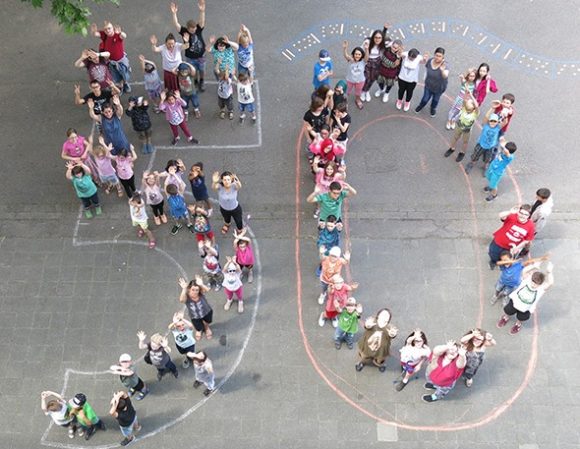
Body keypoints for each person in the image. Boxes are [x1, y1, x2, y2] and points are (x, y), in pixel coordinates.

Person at [497, 261, 554, 334]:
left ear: (540, 284)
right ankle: (505, 318)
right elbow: (524, 270)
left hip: (526, 308)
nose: (533, 285)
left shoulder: (540, 289)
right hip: (515, 302)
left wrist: (549, 272)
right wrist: (534, 266)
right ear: (531, 279)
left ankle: (518, 324)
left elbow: (550, 283)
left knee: (521, 318)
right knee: (508, 311)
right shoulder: (526, 281)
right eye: (533, 282)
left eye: (536, 284)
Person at [170, 0, 207, 90]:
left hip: (201, 56)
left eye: (194, 29)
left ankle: (202, 81)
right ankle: (195, 81)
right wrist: (174, 14)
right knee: (193, 71)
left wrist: (202, 11)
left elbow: (202, 21)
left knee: (202, 70)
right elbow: (176, 24)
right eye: (192, 30)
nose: (194, 31)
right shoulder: (184, 31)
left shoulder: (198, 29)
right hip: (190, 57)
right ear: (188, 28)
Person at [91, 21, 132, 93]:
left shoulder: (117, 36)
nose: (107, 30)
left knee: (125, 75)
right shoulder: (105, 36)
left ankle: (125, 83)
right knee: (116, 76)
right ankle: (120, 85)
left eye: (109, 28)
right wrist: (94, 31)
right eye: (105, 29)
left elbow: (124, 36)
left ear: (113, 28)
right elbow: (96, 34)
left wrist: (121, 32)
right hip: (112, 62)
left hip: (121, 61)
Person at [464, 109, 506, 175]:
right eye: (491, 120)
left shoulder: (497, 128)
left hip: (490, 147)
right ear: (489, 121)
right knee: (475, 155)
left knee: (487, 159)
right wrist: (492, 108)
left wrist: (505, 115)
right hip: (481, 145)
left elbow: (505, 122)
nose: (492, 122)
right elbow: (486, 117)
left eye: (494, 121)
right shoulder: (485, 126)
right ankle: (471, 164)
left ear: (497, 122)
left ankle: (485, 167)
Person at [443, 91, 479, 162]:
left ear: (473, 108)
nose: (467, 107)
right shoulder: (464, 108)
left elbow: (477, 106)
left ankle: (462, 152)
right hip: (459, 126)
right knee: (455, 137)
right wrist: (466, 94)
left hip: (467, 130)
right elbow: (464, 100)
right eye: (467, 105)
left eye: (470, 106)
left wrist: (471, 96)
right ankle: (452, 148)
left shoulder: (475, 113)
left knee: (465, 141)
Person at [414, 47, 449, 117]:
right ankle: (421, 106)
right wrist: (424, 60)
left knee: (435, 100)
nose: (437, 57)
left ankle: (433, 108)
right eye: (436, 55)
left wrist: (442, 70)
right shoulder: (430, 61)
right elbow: (427, 69)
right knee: (425, 99)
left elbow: (445, 76)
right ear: (434, 54)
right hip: (429, 85)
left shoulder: (445, 65)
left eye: (440, 56)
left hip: (439, 88)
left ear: (443, 57)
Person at [178, 275, 214, 340]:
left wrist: (201, 284)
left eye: (197, 290)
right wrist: (184, 289)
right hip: (194, 316)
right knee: (197, 325)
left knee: (207, 321)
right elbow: (181, 300)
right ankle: (199, 330)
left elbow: (207, 289)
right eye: (193, 290)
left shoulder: (200, 293)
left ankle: (207, 328)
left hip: (206, 311)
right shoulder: (187, 295)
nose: (195, 292)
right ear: (189, 289)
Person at [361, 24, 389, 102]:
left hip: (377, 63)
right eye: (376, 37)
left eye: (379, 38)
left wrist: (385, 29)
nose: (377, 39)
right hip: (367, 62)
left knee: (372, 79)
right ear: (373, 37)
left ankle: (367, 91)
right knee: (366, 78)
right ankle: (363, 91)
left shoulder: (383, 44)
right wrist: (366, 49)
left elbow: (394, 46)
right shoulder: (367, 43)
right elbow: (363, 56)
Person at [375, 39, 403, 103]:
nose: (394, 49)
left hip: (391, 73)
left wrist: (397, 75)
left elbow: (398, 66)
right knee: (380, 82)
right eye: (393, 46)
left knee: (389, 84)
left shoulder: (399, 56)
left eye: (396, 48)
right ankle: (381, 89)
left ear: (399, 48)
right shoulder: (386, 49)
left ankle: (386, 93)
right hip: (382, 70)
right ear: (391, 45)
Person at [342, 40, 368, 109]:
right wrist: (345, 48)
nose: (357, 56)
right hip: (350, 80)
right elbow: (346, 56)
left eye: (359, 54)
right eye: (356, 54)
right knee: (347, 91)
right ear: (353, 54)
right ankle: (344, 101)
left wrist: (366, 49)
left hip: (360, 81)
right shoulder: (351, 60)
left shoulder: (363, 62)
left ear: (361, 55)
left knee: (358, 92)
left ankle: (358, 100)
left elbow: (367, 57)